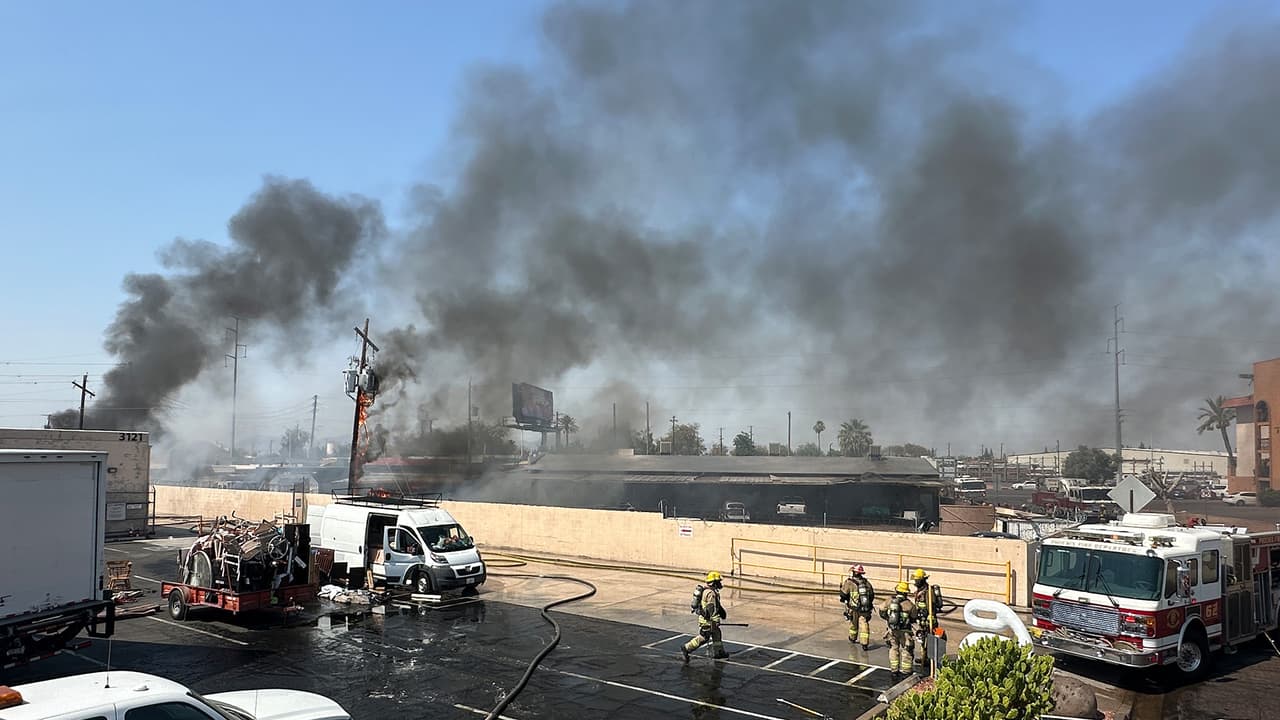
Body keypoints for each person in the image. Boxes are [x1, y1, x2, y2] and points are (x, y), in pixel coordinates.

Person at [683, 571, 729, 662]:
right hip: (707, 621)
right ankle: (687, 648)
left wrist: (722, 612)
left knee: (716, 634)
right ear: (714, 583)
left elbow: (716, 606)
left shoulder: (708, 591)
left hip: (707, 619)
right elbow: (711, 610)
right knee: (704, 637)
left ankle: (718, 652)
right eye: (718, 581)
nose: (720, 583)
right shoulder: (710, 594)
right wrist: (716, 621)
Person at [878, 581, 917, 679]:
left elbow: (881, 610)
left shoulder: (889, 601)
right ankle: (906, 671)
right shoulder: (909, 604)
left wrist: (888, 619)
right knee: (906, 650)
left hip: (892, 630)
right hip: (905, 632)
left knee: (893, 648)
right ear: (906, 593)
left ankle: (894, 670)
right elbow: (914, 617)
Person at [910, 568, 943, 669]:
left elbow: (931, 606)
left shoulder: (929, 592)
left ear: (921, 580)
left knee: (930, 639)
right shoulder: (920, 591)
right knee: (922, 640)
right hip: (922, 619)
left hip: (929, 620)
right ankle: (925, 658)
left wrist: (930, 618)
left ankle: (930, 660)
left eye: (916, 580)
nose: (915, 582)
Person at [838, 564, 875, 649]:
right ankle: (864, 643)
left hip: (854, 608)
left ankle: (852, 638)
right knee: (864, 624)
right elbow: (872, 595)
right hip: (865, 609)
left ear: (855, 572)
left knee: (854, 624)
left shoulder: (850, 582)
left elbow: (843, 594)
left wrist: (843, 598)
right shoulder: (866, 582)